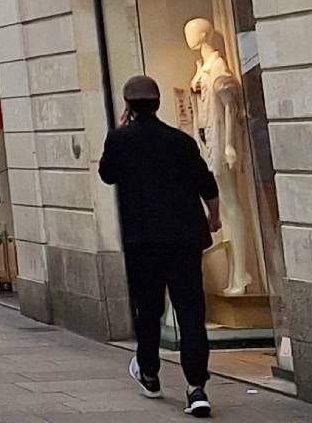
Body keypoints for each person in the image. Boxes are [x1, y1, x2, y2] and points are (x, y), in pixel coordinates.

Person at [100, 74, 219, 418]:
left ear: (128, 107)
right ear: (158, 104)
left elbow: (107, 175)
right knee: (191, 312)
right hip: (183, 239)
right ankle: (196, 387)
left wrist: (121, 130)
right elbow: (205, 183)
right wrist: (214, 216)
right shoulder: (180, 141)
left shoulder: (119, 140)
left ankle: (149, 372)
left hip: (143, 240)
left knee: (148, 309)